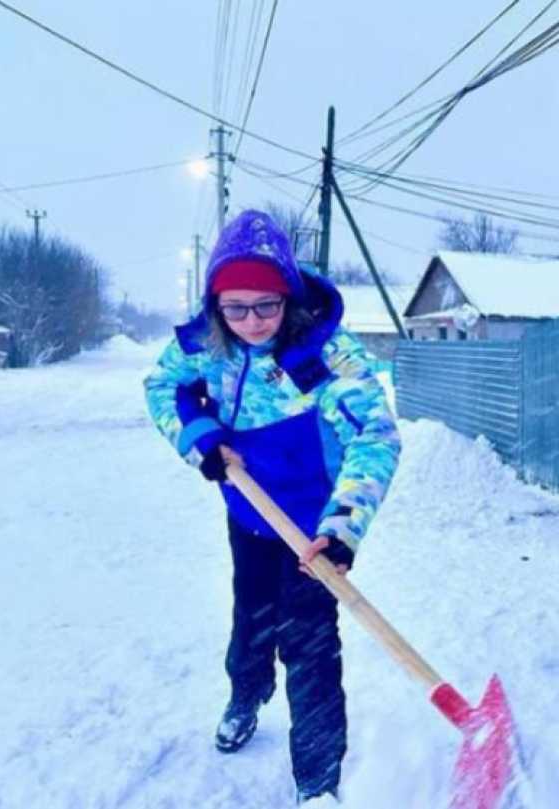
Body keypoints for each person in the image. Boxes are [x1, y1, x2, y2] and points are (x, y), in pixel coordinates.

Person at [144, 210, 401, 803]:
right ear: (216, 307)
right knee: (252, 623)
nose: (252, 321)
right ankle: (246, 693)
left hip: (314, 530)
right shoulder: (204, 345)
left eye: (266, 305)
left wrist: (343, 529)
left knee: (311, 649)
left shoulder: (325, 355)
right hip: (249, 515)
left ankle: (318, 783)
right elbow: (163, 387)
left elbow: (376, 436)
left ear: (288, 297)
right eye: (235, 308)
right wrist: (199, 435)